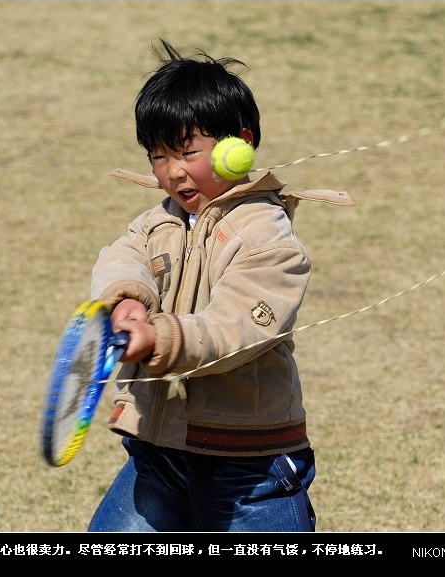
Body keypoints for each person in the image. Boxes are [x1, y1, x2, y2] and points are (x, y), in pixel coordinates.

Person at [86, 39, 353, 532]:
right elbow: (122, 254)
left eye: (188, 151)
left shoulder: (266, 236)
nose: (174, 172)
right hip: (159, 450)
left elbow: (235, 331)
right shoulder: (159, 220)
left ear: (239, 145)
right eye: (159, 156)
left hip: (249, 462)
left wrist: (160, 339)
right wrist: (127, 300)